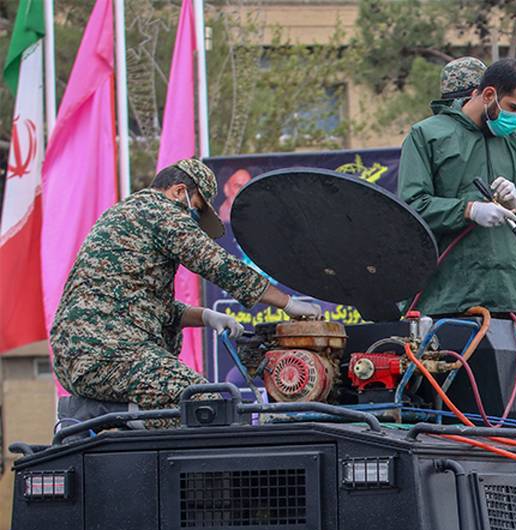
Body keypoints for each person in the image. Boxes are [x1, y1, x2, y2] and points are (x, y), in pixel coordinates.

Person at [50, 158, 321, 416]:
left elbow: (148, 308)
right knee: (201, 405)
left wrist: (206, 316)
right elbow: (219, 265)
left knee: (189, 410)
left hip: (82, 354)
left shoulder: (126, 213)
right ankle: (101, 413)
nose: (193, 220)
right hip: (107, 353)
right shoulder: (161, 212)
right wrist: (288, 304)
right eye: (197, 208)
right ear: (179, 191)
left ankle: (116, 416)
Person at [399, 58, 516, 316]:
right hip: (448, 296)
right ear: (489, 94)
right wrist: (469, 210)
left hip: (510, 296)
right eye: (513, 108)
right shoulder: (428, 136)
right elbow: (412, 206)